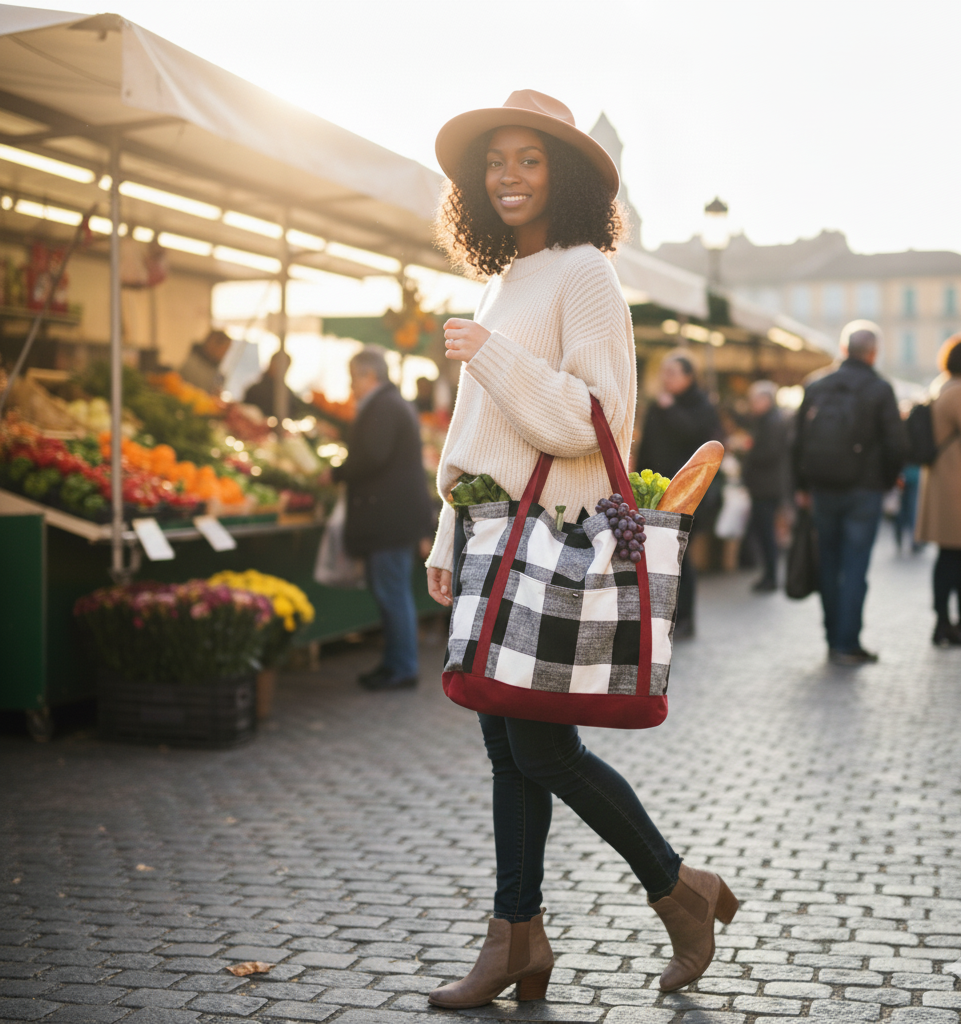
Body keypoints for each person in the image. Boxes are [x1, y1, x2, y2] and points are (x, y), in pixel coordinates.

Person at [424, 89, 739, 1011]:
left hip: (552, 541)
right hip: (493, 541)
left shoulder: (585, 275)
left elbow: (589, 419)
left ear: (561, 176)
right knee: (507, 746)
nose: (508, 176)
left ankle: (679, 891)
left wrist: (489, 353)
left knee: (542, 751)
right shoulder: (505, 278)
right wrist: (448, 530)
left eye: (528, 160)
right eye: (495, 162)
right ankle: (517, 938)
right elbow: (481, 435)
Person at [793, 321, 906, 665]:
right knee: (855, 568)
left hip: (823, 488)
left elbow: (795, 441)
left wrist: (801, 486)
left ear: (843, 350)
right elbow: (896, 444)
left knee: (828, 563)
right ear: (873, 353)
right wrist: (886, 482)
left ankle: (832, 638)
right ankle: (848, 642)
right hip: (864, 491)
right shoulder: (879, 388)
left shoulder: (817, 385)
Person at [332, 346, 434, 690]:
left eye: (353, 378)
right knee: (392, 593)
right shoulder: (392, 404)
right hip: (394, 518)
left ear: (368, 375)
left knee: (392, 593)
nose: (351, 387)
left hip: (390, 519)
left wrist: (337, 473)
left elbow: (372, 456)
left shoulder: (383, 406)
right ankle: (395, 663)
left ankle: (402, 667)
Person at [635, 351, 722, 636]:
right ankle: (659, 618)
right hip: (656, 494)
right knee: (658, 555)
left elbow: (702, 441)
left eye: (672, 373)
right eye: (664, 372)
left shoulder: (701, 405)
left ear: (688, 377)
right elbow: (647, 446)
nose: (666, 378)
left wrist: (671, 410)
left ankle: (684, 618)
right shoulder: (659, 405)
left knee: (679, 555)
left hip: (690, 496)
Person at [915, 333, 961, 646]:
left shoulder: (942, 386)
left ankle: (944, 620)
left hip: (946, 483)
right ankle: (945, 622)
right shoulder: (957, 391)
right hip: (954, 484)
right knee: (951, 557)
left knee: (948, 556)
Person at [740, 380, 789, 592]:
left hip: (767, 486)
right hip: (765, 484)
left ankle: (771, 577)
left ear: (766, 400)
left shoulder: (772, 422)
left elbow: (768, 453)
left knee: (766, 533)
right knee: (763, 531)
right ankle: (768, 574)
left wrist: (747, 452)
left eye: (755, 399)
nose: (752, 404)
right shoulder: (767, 420)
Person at [242, 350, 312, 419]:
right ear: (272, 363)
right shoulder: (256, 390)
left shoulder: (285, 392)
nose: (284, 370)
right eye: (281, 365)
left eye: (286, 366)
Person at [179, 329, 232, 394]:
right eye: (224, 349)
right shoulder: (189, 361)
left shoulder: (215, 369)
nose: (224, 354)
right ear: (212, 343)